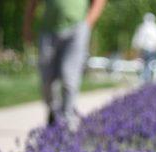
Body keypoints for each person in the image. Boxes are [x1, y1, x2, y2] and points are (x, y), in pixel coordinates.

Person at [23, 0, 108, 130]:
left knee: (69, 77)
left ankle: (68, 120)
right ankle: (54, 111)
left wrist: (88, 23)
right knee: (47, 79)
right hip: (48, 30)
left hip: (77, 28)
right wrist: (27, 25)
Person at [132, 13, 156, 84]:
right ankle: (148, 80)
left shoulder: (142, 27)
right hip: (153, 50)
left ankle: (146, 80)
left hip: (146, 50)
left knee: (146, 65)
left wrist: (136, 50)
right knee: (149, 65)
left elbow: (137, 41)